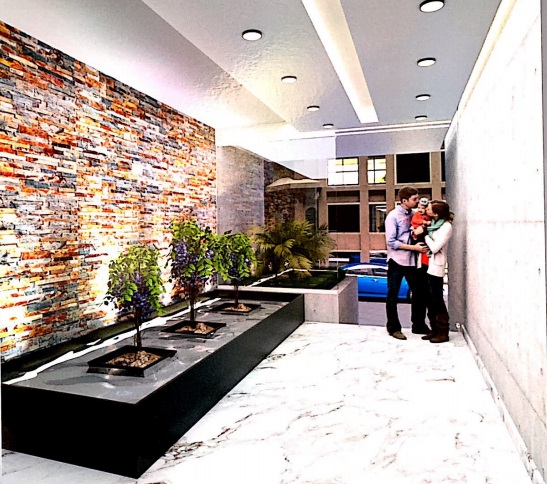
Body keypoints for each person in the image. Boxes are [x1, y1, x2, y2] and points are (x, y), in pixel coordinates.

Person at [384, 186, 431, 340]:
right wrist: (414, 248)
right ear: (404, 200)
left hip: (413, 261)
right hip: (397, 261)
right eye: (414, 199)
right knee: (393, 295)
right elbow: (391, 242)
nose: (417, 201)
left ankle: (418, 324)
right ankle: (393, 328)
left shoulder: (415, 214)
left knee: (419, 292)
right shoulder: (392, 216)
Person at [414, 200, 454, 343]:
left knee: (437, 299)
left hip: (436, 265)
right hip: (426, 263)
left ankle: (443, 332)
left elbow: (435, 247)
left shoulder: (446, 227)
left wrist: (425, 235)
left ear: (436, 213)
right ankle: (434, 329)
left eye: (429, 209)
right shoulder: (433, 223)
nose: (426, 209)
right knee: (429, 299)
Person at [411, 197, 431, 268]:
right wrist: (423, 222)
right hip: (416, 229)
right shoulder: (416, 214)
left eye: (422, 208)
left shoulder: (428, 216)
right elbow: (414, 221)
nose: (420, 210)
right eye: (419, 208)